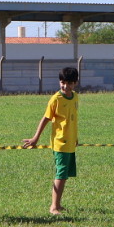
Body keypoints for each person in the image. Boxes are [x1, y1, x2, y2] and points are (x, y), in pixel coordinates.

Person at [20, 66, 79, 215]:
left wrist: (75, 137)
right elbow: (46, 119)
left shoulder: (75, 97)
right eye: (63, 82)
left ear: (75, 83)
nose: (65, 86)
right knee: (61, 173)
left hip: (70, 142)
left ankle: (58, 204)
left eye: (69, 83)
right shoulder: (55, 99)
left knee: (64, 175)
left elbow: (72, 118)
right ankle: (53, 207)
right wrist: (35, 138)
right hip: (60, 143)